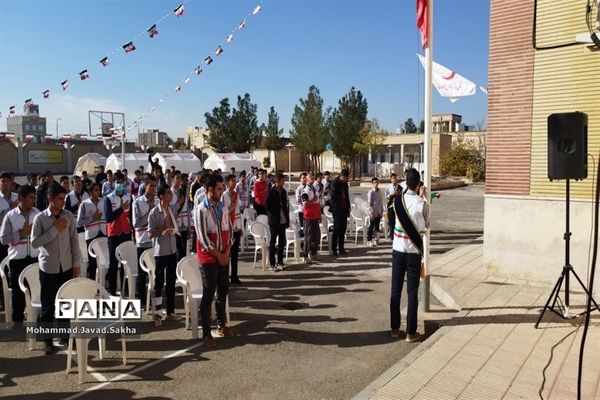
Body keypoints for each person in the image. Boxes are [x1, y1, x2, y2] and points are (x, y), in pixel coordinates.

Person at [31, 183, 80, 355]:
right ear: (50, 199)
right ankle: (47, 341)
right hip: (48, 268)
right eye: (60, 199)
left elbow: (74, 240)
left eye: (64, 198)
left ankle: (64, 336)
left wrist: (76, 263)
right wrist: (54, 230)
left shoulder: (68, 216)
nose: (63, 202)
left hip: (66, 266)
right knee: (48, 306)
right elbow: (35, 243)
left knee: (65, 303)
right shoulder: (40, 218)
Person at [193, 174, 234, 347]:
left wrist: (227, 253)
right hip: (209, 258)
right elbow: (203, 238)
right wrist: (220, 255)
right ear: (210, 190)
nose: (221, 191)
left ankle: (221, 324)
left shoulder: (223, 208)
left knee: (223, 291)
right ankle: (206, 333)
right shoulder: (200, 210)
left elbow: (230, 232)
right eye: (218, 188)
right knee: (208, 294)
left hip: (223, 256)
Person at [390, 168, 430, 342]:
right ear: (419, 183)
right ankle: (410, 332)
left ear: (406, 182)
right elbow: (427, 224)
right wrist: (424, 197)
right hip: (413, 253)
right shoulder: (422, 204)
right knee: (412, 292)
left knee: (395, 290)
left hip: (398, 251)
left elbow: (391, 220)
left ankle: (394, 327)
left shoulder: (397, 201)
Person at [0, 185, 40, 323]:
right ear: (21, 199)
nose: (33, 200)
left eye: (34, 197)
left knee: (35, 289)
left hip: (35, 258)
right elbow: (3, 239)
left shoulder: (37, 214)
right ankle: (17, 320)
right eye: (30, 197)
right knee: (18, 291)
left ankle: (37, 317)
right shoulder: (10, 216)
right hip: (17, 260)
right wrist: (22, 233)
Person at [148, 184, 180, 327]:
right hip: (161, 252)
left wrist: (172, 228)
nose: (170, 195)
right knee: (159, 283)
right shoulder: (154, 213)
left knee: (171, 282)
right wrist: (163, 228)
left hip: (172, 250)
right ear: (161, 196)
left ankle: (171, 312)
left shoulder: (172, 209)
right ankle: (157, 314)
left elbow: (174, 226)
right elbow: (150, 234)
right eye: (168, 193)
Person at [104, 171, 132, 296]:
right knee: (113, 263)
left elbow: (130, 215)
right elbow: (108, 218)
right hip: (114, 233)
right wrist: (121, 209)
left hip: (126, 232)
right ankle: (112, 290)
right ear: (113, 183)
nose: (120, 184)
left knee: (126, 262)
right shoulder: (108, 198)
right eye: (117, 182)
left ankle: (125, 289)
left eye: (121, 182)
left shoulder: (128, 196)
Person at [133, 176, 157, 309]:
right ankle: (141, 299)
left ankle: (154, 298)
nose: (153, 189)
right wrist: (149, 212)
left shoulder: (157, 200)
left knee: (155, 271)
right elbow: (136, 223)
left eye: (154, 186)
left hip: (155, 240)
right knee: (142, 272)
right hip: (142, 240)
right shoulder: (137, 202)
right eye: (151, 186)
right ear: (145, 186)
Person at [77, 182, 106, 280]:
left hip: (103, 233)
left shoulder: (104, 201)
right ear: (90, 192)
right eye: (96, 190)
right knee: (93, 261)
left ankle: (103, 281)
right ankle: (92, 282)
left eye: (99, 190)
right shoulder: (84, 204)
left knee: (104, 260)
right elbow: (79, 222)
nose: (98, 192)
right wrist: (92, 218)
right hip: (91, 235)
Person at [266, 173, 290, 270]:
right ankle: (272, 264)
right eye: (282, 180)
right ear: (277, 181)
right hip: (274, 221)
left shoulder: (283, 192)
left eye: (284, 180)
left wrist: (287, 220)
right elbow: (267, 206)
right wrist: (277, 207)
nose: (284, 182)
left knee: (282, 242)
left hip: (282, 220)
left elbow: (286, 207)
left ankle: (280, 261)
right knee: (272, 242)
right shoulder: (271, 192)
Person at [222, 174, 243, 284]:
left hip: (236, 227)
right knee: (227, 255)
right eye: (232, 181)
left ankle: (234, 276)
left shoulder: (236, 194)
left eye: (235, 181)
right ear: (227, 183)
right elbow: (224, 211)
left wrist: (241, 227)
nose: (234, 183)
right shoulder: (224, 195)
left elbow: (238, 211)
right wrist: (232, 207)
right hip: (227, 228)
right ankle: (225, 278)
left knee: (235, 254)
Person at [330, 169, 350, 256]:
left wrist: (348, 208)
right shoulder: (335, 183)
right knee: (336, 230)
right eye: (345, 178)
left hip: (344, 209)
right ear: (342, 176)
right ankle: (334, 249)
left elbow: (347, 196)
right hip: (337, 209)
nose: (346, 180)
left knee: (343, 230)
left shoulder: (345, 184)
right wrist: (341, 195)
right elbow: (333, 196)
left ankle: (341, 248)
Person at [302, 173, 321, 263]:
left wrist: (319, 214)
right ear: (306, 179)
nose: (312, 178)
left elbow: (318, 203)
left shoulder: (315, 189)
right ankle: (305, 255)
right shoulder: (305, 190)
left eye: (313, 177)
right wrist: (313, 200)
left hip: (315, 216)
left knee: (316, 236)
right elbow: (305, 204)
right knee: (308, 237)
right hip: (308, 217)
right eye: (310, 177)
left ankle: (313, 253)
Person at [0, 172, 19, 263]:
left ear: (11, 183)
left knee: (14, 262)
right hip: (2, 237)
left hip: (16, 235)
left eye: (8, 180)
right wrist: (10, 209)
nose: (5, 183)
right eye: (3, 181)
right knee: (2, 262)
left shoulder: (17, 197)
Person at [171, 171, 190, 261]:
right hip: (175, 225)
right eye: (177, 178)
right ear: (172, 179)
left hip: (185, 225)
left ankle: (182, 272)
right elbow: (170, 210)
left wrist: (189, 227)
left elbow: (188, 210)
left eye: (180, 178)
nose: (179, 180)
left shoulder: (183, 192)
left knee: (183, 251)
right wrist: (179, 203)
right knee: (175, 251)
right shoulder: (170, 193)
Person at [367, 177, 383, 246]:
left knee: (377, 227)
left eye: (377, 182)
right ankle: (369, 240)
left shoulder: (379, 191)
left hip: (378, 212)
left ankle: (376, 239)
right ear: (372, 184)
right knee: (371, 226)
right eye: (374, 183)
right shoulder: (371, 192)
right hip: (373, 213)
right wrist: (371, 213)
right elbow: (369, 203)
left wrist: (381, 211)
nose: (376, 184)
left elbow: (380, 202)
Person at [385, 173, 400, 240]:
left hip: (398, 205)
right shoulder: (388, 187)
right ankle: (391, 235)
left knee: (398, 220)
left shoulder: (399, 186)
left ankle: (397, 234)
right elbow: (386, 196)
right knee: (391, 221)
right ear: (391, 179)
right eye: (393, 178)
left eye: (395, 178)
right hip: (391, 205)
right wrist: (391, 195)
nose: (394, 179)